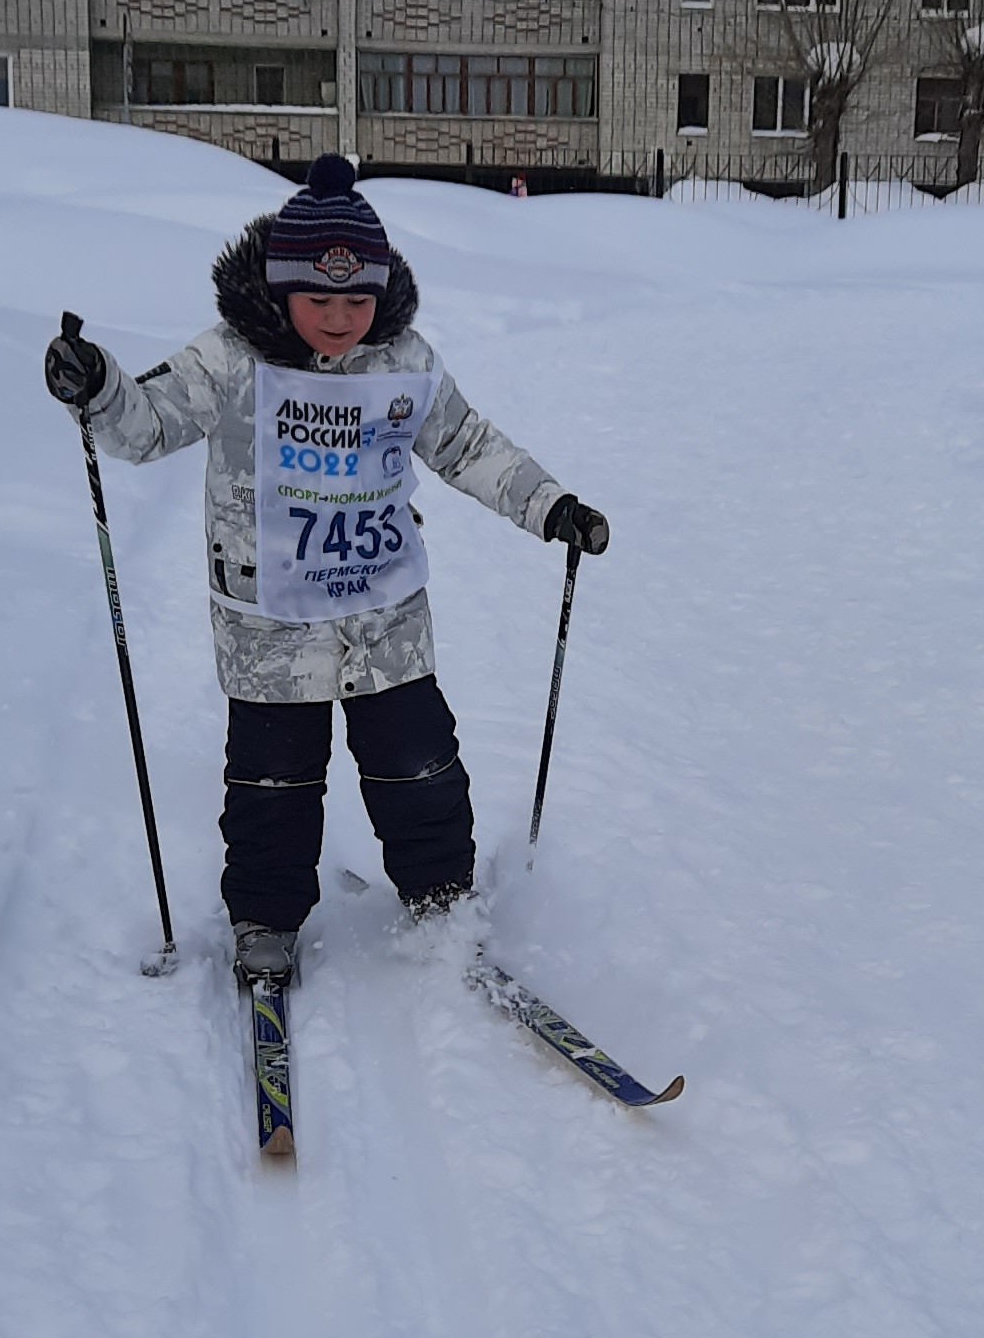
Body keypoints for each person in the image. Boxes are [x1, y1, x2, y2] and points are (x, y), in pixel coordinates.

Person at [44, 156, 607, 983]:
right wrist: (97, 388)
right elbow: (149, 424)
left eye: (357, 298)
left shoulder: (403, 361)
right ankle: (265, 920)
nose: (340, 317)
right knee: (272, 785)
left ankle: (443, 900)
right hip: (270, 628)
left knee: (421, 770)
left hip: (386, 618)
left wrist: (550, 505)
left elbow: (465, 445)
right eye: (319, 298)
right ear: (280, 291)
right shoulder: (232, 361)